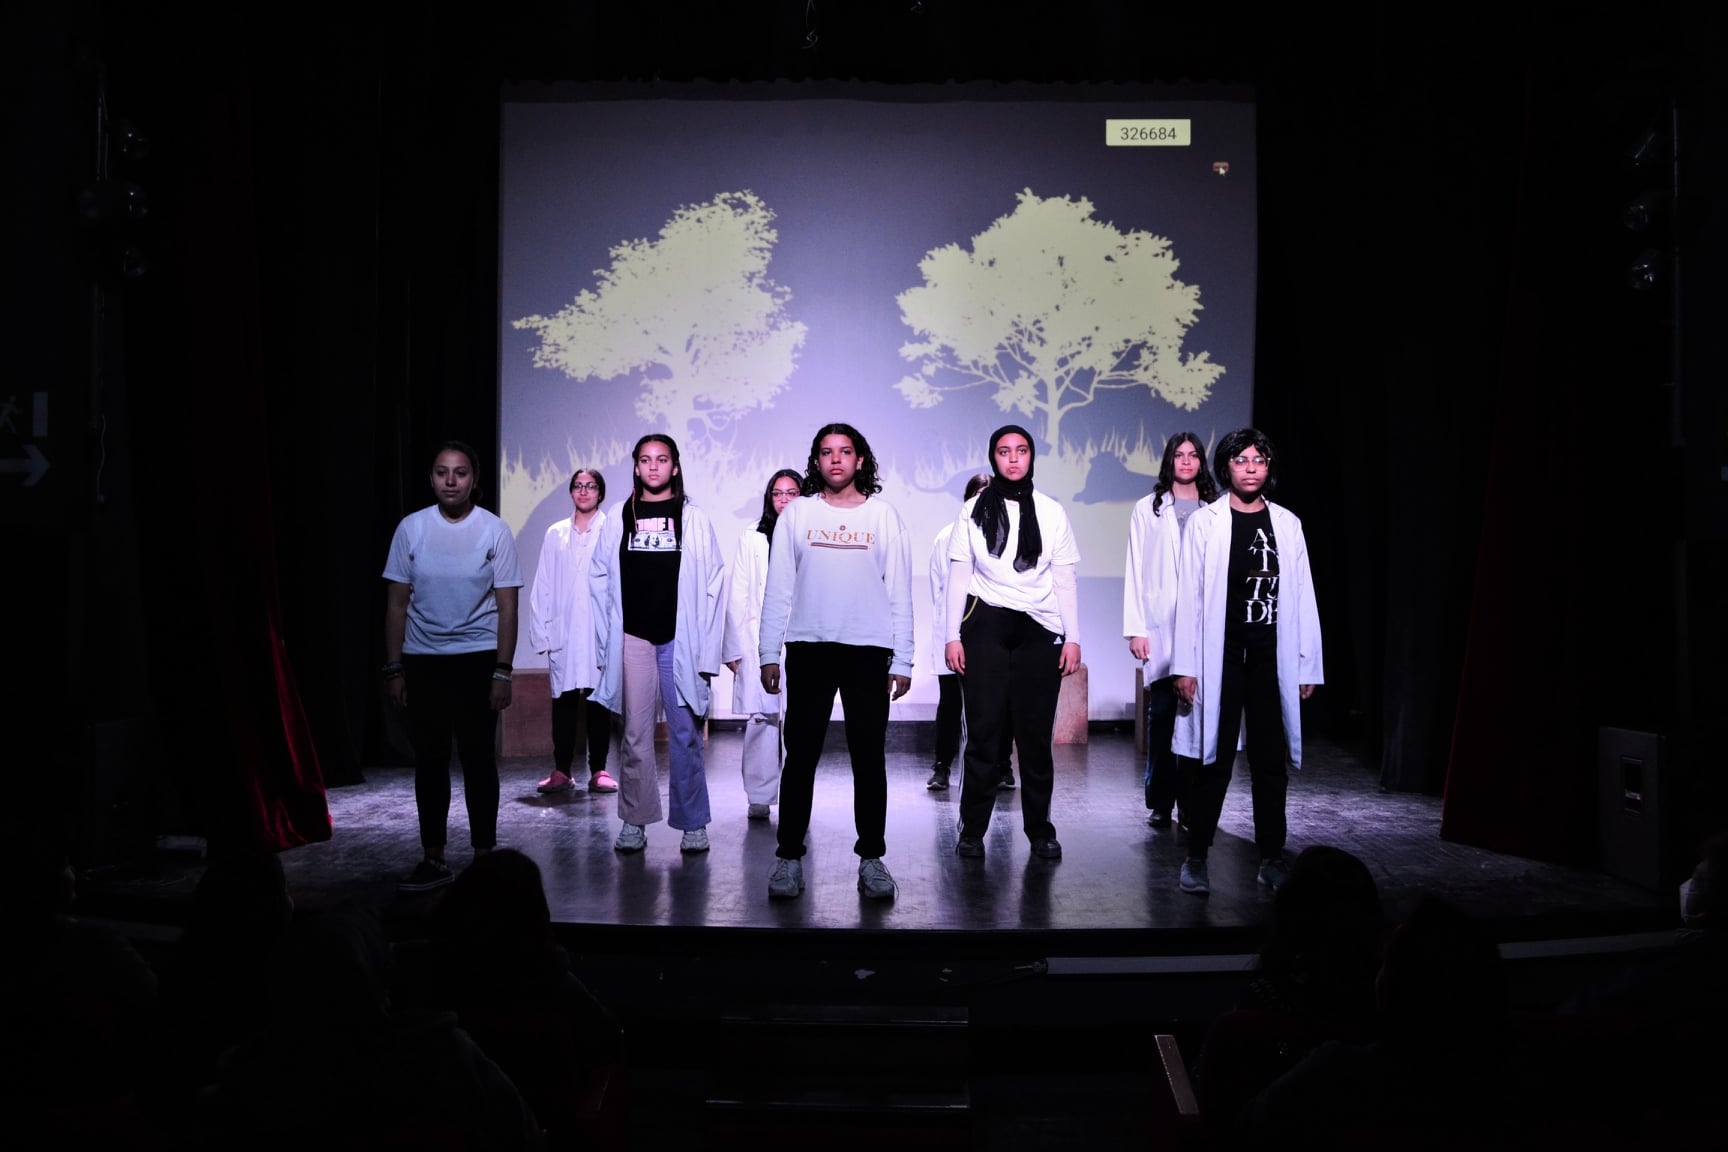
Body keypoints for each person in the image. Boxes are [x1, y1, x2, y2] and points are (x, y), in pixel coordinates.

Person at [758, 423, 914, 901]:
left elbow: (899, 591)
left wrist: (904, 659)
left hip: (868, 650)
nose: (836, 460)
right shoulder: (798, 514)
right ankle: (788, 857)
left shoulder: (883, 516)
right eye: (826, 452)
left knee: (868, 758)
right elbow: (778, 587)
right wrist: (769, 652)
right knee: (800, 757)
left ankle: (872, 859)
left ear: (860, 460)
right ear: (816, 461)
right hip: (810, 647)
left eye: (845, 452)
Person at [1171, 428, 1322, 896]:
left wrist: (1307, 664)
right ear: (1226, 467)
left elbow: (1302, 595)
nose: (1251, 467)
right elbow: (1190, 598)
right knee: (1213, 760)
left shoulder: (1287, 524)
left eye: (1259, 459)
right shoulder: (1206, 523)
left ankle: (1272, 856)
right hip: (1222, 657)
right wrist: (1186, 665)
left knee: (1269, 762)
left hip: (1269, 658)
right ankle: (1197, 857)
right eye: (1241, 460)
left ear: (1268, 467)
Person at [383, 440, 523, 892]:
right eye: (442, 471)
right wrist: (394, 668)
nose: (450, 480)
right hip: (424, 662)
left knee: (479, 760)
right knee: (430, 761)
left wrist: (503, 670)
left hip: (477, 662)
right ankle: (434, 856)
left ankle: (484, 856)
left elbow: (507, 607)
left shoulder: (494, 530)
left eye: (460, 472)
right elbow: (396, 604)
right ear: (431, 478)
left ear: (473, 479)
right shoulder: (411, 528)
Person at [946, 424, 1081, 862]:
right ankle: (972, 831)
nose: (1013, 459)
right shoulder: (972, 510)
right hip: (985, 622)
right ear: (994, 458)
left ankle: (1040, 831)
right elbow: (959, 575)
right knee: (984, 734)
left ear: (1031, 456)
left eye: (1021, 450)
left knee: (1035, 738)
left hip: (1039, 627)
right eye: (1004, 452)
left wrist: (1073, 638)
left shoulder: (1052, 511)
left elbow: (1064, 577)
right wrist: (951, 635)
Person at [589, 434, 726, 855]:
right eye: (645, 460)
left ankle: (692, 823)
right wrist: (604, 646)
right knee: (634, 734)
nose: (653, 466)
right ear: (635, 467)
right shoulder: (620, 516)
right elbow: (599, 579)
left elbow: (714, 584)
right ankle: (635, 820)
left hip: (680, 639)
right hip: (634, 637)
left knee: (685, 733)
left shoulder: (693, 518)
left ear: (675, 467)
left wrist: (708, 651)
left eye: (662, 459)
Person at [1123, 433, 1218, 827]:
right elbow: (1135, 567)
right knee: (1162, 716)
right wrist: (1136, 628)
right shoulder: (1149, 508)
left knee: (1198, 720)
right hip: (1161, 625)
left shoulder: (1215, 510)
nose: (1186, 461)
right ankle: (1161, 801)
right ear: (1169, 461)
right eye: (1179, 455)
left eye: (1193, 455)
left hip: (1204, 626)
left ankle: (1192, 803)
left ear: (1201, 462)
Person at [528, 467, 618, 796]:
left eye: (590, 486)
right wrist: (541, 632)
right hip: (564, 631)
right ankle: (562, 770)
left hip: (598, 630)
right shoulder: (556, 533)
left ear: (600, 492)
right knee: (563, 702)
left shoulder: (611, 531)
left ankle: (599, 770)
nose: (583, 491)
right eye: (578, 486)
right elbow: (543, 583)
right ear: (570, 491)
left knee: (598, 703)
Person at [723, 469, 803, 820]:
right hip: (758, 638)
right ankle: (759, 794)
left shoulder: (812, 534)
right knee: (762, 719)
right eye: (777, 493)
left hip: (801, 637)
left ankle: (797, 794)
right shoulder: (752, 536)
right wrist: (732, 647)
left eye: (792, 493)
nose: (784, 500)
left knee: (801, 722)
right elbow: (738, 593)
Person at [927, 472, 992, 792]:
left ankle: (1001, 767)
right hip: (954, 632)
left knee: (994, 704)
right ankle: (942, 766)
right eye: (977, 495)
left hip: (990, 634)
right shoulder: (946, 536)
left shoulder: (1005, 535)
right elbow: (938, 589)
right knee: (951, 704)